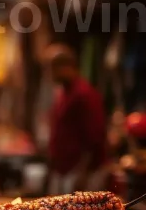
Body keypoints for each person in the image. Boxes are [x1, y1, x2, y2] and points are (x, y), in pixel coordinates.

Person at [45, 45, 109, 194]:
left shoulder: (84, 94)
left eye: (51, 69)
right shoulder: (64, 93)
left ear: (65, 67)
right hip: (64, 170)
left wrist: (82, 174)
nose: (49, 74)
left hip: (80, 173)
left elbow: (95, 138)